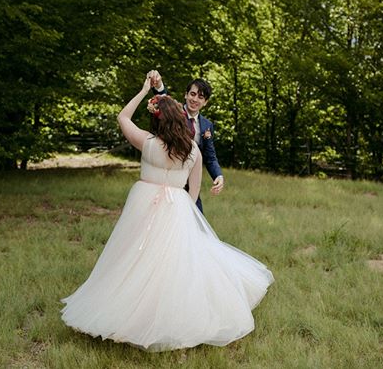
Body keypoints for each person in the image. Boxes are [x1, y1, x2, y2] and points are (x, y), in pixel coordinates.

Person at [60, 73, 274, 352]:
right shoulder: (192, 151)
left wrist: (142, 91)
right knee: (173, 264)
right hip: (178, 206)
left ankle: (128, 309)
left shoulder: (148, 143)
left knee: (131, 257)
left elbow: (123, 118)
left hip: (143, 204)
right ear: (179, 118)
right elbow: (193, 192)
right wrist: (183, 210)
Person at [149, 71, 223, 213]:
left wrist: (218, 175)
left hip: (191, 184)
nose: (195, 99)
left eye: (201, 97)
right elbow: (163, 99)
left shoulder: (207, 125)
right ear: (186, 95)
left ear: (205, 102)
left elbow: (210, 155)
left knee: (195, 225)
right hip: (168, 181)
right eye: (193, 94)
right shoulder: (174, 113)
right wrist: (158, 86)